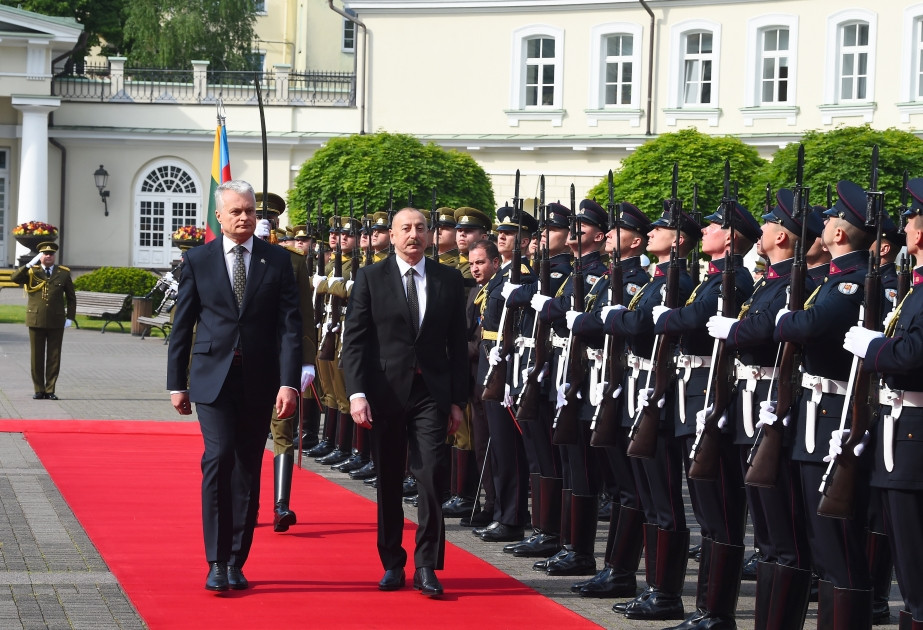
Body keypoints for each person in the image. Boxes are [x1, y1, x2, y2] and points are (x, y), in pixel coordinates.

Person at [167, 179, 302, 592]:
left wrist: (288, 383)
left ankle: (236, 559)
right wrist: (177, 383)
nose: (245, 218)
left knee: (246, 465)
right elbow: (183, 325)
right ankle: (215, 559)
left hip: (260, 379)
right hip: (212, 378)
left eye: (250, 211)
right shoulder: (199, 260)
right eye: (237, 211)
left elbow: (290, 328)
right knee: (218, 456)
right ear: (220, 217)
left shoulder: (276, 261)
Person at [342, 207, 468, 597]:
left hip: (431, 393)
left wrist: (457, 401)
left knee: (430, 474)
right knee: (390, 479)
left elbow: (457, 347)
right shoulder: (370, 277)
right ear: (392, 236)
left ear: (428, 235)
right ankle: (392, 562)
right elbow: (356, 340)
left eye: (420, 228)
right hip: (386, 393)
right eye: (406, 229)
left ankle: (427, 564)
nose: (414, 235)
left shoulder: (448, 279)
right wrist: (357, 393)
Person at [846, 176, 923, 630]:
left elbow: (913, 353)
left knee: (914, 560)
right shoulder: (914, 287)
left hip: (913, 430)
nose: (907, 226)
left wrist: (873, 347)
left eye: (912, 218)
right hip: (900, 427)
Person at [11, 241, 76, 400]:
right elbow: (14, 278)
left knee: (54, 356)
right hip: (36, 319)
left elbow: (71, 298)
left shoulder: (63, 273)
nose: (48, 256)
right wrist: (28, 265)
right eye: (45, 254)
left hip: (56, 320)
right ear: (40, 256)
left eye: (51, 254)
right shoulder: (32, 271)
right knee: (36, 356)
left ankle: (50, 389)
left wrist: (70, 317)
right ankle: (39, 389)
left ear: (54, 256)